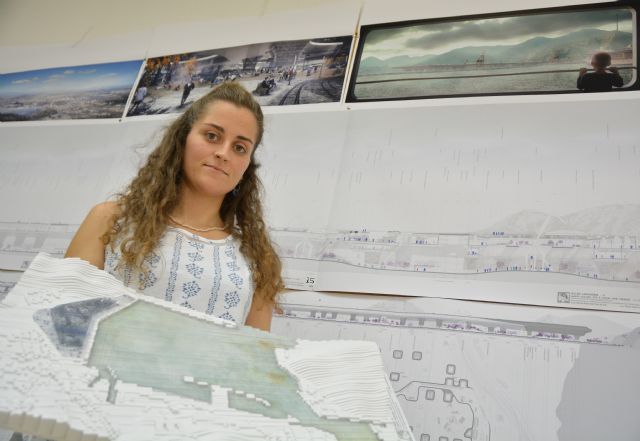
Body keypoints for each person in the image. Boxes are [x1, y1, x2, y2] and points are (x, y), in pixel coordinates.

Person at [65, 82, 284, 331]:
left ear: (247, 166)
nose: (224, 153)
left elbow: (254, 351)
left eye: (239, 148)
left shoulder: (258, 259)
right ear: (183, 138)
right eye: (212, 136)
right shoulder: (110, 220)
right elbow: (64, 323)